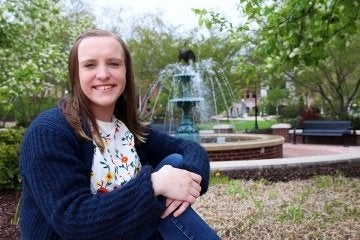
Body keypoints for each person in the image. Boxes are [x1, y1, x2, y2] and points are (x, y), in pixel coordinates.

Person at [19, 29, 220, 240]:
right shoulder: (48, 132)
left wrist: (187, 179)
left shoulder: (126, 128)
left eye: (114, 63)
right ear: (75, 75)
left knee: (176, 162)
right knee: (160, 193)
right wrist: (154, 185)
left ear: (126, 72)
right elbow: (73, 220)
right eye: (90, 65)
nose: (103, 74)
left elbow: (191, 149)